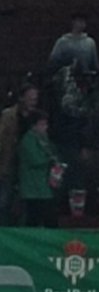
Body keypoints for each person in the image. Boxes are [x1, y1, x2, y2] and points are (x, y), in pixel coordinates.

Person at [0, 84, 40, 224]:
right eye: (30, 98)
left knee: (25, 204)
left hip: (27, 167)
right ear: (21, 98)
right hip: (9, 164)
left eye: (35, 99)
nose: (33, 102)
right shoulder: (8, 115)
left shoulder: (37, 118)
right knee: (4, 201)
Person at [17, 112, 60, 227]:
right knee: (33, 219)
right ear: (33, 126)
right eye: (41, 124)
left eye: (46, 124)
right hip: (32, 188)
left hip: (44, 186)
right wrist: (49, 160)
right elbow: (35, 160)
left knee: (50, 219)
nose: (45, 127)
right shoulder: (27, 140)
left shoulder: (45, 139)